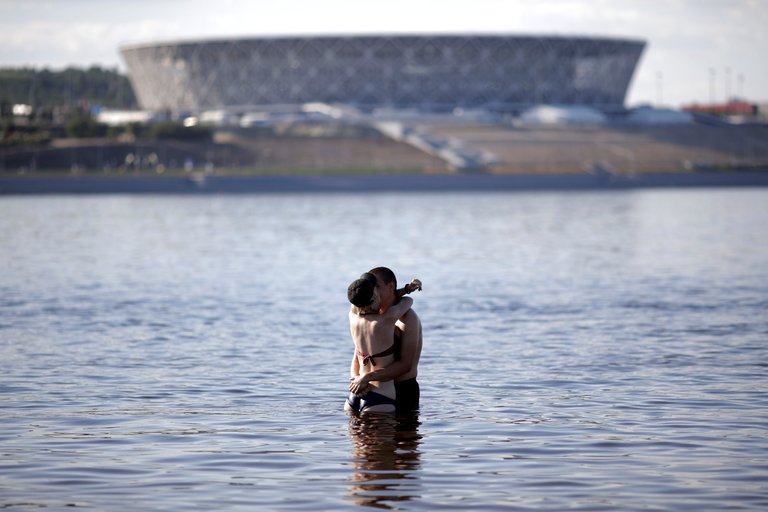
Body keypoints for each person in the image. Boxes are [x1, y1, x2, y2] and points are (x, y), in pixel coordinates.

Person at [349, 267, 423, 413]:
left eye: (375, 286)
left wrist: (365, 379)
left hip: (402, 391)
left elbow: (405, 365)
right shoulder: (374, 315)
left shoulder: (407, 319)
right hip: (370, 388)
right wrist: (356, 379)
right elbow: (358, 355)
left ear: (390, 287)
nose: (372, 291)